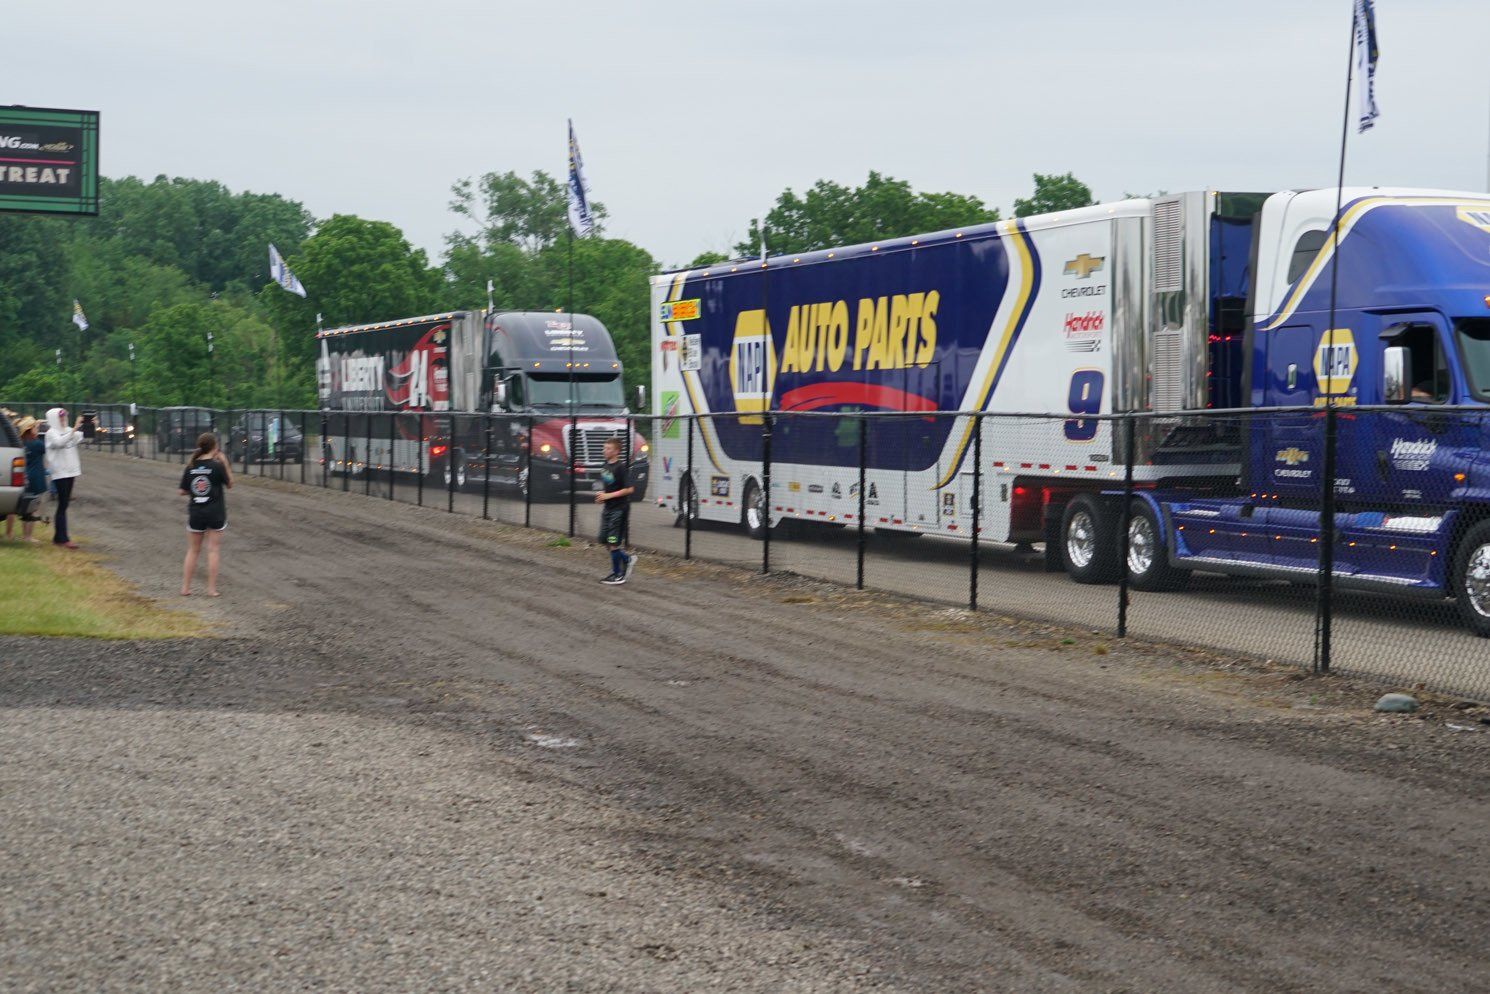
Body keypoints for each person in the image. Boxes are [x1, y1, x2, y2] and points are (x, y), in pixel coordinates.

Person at [179, 432, 233, 597]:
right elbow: (230, 484)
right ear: (215, 447)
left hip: (196, 512)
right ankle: (211, 589)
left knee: (193, 550)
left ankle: (185, 588)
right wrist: (225, 463)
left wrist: (196, 493)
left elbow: (182, 490)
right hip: (215, 512)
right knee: (213, 550)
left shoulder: (191, 465)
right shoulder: (217, 466)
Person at [593, 436, 637, 585]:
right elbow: (606, 485)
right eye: (604, 448)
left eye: (608, 448)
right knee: (604, 539)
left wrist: (608, 495)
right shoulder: (605, 465)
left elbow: (629, 489)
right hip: (608, 508)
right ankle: (627, 559)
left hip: (619, 510)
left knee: (613, 541)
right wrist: (601, 497)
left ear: (616, 451)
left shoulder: (621, 467)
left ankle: (617, 574)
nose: (604, 451)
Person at [42, 407, 84, 549]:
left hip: (70, 471)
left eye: (64, 416)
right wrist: (73, 431)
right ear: (54, 418)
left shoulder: (67, 429)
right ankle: (62, 538)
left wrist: (89, 425)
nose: (62, 419)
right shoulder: (51, 433)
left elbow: (79, 437)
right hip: (60, 472)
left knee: (64, 504)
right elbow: (59, 443)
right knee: (62, 504)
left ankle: (58, 537)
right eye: (60, 417)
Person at [15, 417, 47, 543]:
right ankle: (28, 536)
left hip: (25, 476)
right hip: (36, 477)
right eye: (35, 427)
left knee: (25, 507)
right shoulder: (38, 444)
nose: (37, 429)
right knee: (33, 507)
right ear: (30, 429)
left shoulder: (21, 442)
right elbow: (44, 449)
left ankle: (24, 535)